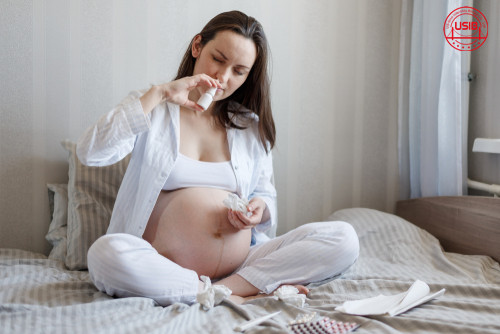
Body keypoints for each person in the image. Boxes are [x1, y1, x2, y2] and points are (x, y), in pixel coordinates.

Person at [79, 10, 359, 307]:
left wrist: (259, 209)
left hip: (240, 265)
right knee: (105, 255)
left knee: (344, 238)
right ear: (197, 46)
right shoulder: (154, 108)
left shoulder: (248, 125)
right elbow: (91, 152)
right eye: (218, 59)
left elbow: (265, 197)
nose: (222, 78)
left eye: (238, 71)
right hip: (160, 264)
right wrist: (159, 94)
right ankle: (232, 291)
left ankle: (223, 291)